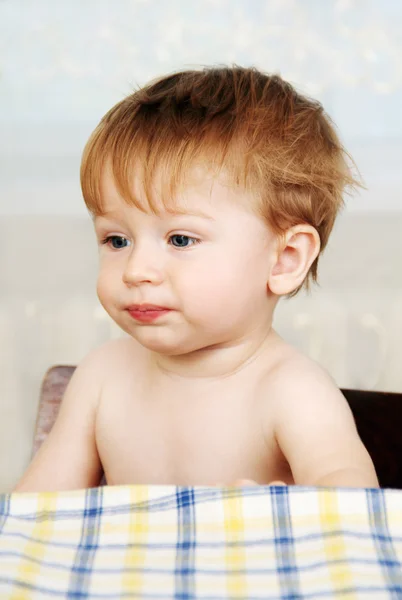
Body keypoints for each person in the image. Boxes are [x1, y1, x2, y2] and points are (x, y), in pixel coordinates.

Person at [14, 65, 379, 492]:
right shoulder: (101, 377)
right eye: (116, 240)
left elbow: (355, 511)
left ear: (284, 260)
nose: (136, 270)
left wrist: (285, 510)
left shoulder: (292, 391)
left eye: (181, 239)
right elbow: (33, 516)